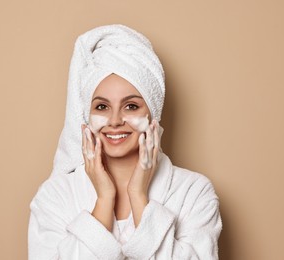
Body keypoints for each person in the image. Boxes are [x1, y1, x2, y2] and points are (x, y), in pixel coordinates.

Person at [28, 24, 222, 259]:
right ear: (86, 117)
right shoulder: (55, 196)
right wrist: (104, 200)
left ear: (153, 114)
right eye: (102, 106)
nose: (115, 120)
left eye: (131, 106)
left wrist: (138, 195)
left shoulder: (193, 192)